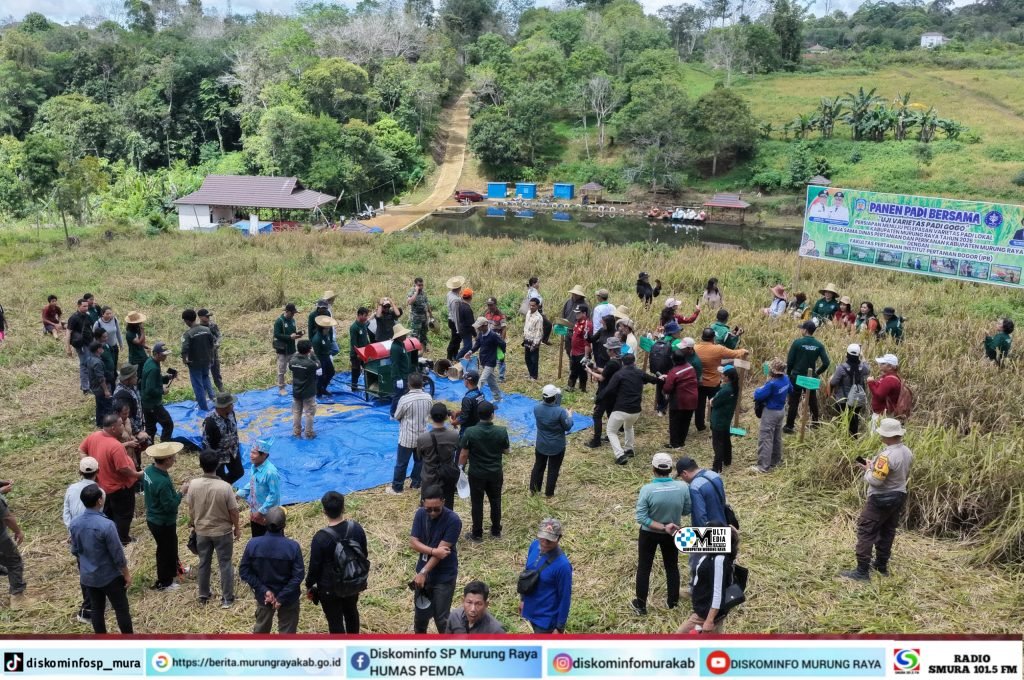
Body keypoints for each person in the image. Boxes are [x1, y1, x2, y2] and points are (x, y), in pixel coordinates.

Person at [840, 418, 914, 581]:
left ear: (887, 436)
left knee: (866, 530)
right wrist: (874, 465)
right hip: (899, 495)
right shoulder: (907, 451)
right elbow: (894, 471)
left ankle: (862, 571)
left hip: (880, 498)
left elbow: (876, 480)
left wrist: (867, 470)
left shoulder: (886, 456)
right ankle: (881, 565)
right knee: (888, 530)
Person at [632, 452, 690, 616]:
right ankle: (672, 602)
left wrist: (661, 526)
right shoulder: (682, 487)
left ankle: (641, 605)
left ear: (653, 469)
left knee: (644, 568)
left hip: (649, 533)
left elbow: (642, 517)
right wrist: (669, 524)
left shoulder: (647, 490)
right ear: (671, 469)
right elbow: (687, 509)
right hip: (673, 532)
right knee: (672, 567)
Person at [69, 485, 132, 633]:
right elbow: (118, 555)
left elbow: (75, 550)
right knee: (121, 609)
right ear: (99, 501)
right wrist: (126, 574)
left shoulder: (75, 524)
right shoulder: (107, 525)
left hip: (88, 577)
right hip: (110, 576)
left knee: (97, 610)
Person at [306, 491, 367, 633]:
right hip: (352, 581)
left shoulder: (320, 538)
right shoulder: (356, 528)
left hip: (329, 588)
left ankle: (340, 649)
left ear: (324, 511)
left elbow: (314, 567)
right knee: (352, 612)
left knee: (335, 621)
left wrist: (309, 585)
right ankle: (353, 645)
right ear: (343, 508)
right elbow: (363, 553)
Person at [187, 449, 240, 608]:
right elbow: (234, 511)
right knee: (225, 563)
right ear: (218, 465)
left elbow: (191, 508)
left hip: (202, 531)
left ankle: (203, 595)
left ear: (200, 464)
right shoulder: (225, 487)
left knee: (204, 562)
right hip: (222, 532)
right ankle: (227, 598)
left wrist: (193, 523)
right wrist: (237, 527)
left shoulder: (193, 485)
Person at [239, 506, 305, 633]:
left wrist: (264, 590)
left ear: (264, 522)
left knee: (261, 633)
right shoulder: (293, 547)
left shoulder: (253, 544)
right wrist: (281, 597)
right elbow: (298, 575)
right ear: (284, 525)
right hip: (289, 598)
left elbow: (244, 571)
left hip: (264, 597)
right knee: (287, 634)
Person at [80, 414, 142, 545]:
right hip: (120, 487)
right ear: (113, 428)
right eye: (120, 425)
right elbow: (123, 469)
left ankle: (108, 536)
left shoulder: (94, 436)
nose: (123, 428)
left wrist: (89, 465)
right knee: (123, 515)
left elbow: (81, 450)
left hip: (102, 486)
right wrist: (137, 474)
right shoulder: (115, 446)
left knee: (108, 513)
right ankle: (123, 539)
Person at [409, 486, 462, 633]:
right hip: (423, 575)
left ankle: (446, 650)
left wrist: (424, 571)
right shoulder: (420, 514)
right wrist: (432, 551)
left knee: (441, 618)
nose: (432, 512)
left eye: (436, 509)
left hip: (443, 575)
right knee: (420, 616)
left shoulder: (453, 520)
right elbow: (413, 542)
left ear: (443, 502)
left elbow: (442, 553)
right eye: (428, 509)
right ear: (423, 504)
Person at [459, 401, 508, 542]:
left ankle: (477, 533)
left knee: (477, 503)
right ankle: (496, 530)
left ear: (478, 414)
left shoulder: (470, 432)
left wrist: (460, 469)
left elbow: (463, 454)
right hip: (495, 472)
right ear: (492, 415)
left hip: (477, 473)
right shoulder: (501, 431)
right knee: (496, 500)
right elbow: (506, 450)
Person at [676, 524, 738, 633]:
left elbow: (718, 592)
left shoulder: (719, 559)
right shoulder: (710, 555)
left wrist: (709, 620)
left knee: (680, 635)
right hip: (705, 609)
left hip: (706, 614)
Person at [143, 442, 186, 592]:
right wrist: (181, 492)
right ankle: (165, 582)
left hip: (153, 517)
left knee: (171, 546)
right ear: (167, 459)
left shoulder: (149, 470)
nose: (175, 459)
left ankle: (177, 569)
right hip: (163, 521)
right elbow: (170, 506)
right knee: (165, 550)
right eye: (173, 457)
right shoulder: (162, 482)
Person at [604, 352, 662, 465]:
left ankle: (620, 455)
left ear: (622, 362)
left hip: (621, 409)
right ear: (634, 362)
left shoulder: (619, 374)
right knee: (628, 427)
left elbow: (609, 390)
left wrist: (599, 399)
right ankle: (629, 449)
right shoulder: (639, 373)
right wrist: (661, 378)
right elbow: (653, 380)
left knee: (611, 431)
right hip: (635, 410)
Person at [63, 457, 101, 623]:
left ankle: (93, 603)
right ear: (98, 472)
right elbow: (99, 517)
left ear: (79, 472)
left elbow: (65, 512)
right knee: (92, 571)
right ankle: (88, 609)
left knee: (84, 569)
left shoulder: (71, 489)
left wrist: (72, 530)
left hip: (76, 537)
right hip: (93, 537)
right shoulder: (99, 492)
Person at [520, 518, 572, 634]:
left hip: (546, 621)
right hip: (531, 610)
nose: (544, 543)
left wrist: (559, 627)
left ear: (558, 539)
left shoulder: (563, 566)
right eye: (543, 538)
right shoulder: (534, 546)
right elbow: (527, 574)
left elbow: (565, 597)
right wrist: (523, 599)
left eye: (550, 540)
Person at [694, 328, 749, 432]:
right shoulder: (718, 349)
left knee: (699, 405)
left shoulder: (695, 347)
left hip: (700, 382)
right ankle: (713, 425)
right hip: (713, 382)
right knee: (715, 404)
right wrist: (743, 351)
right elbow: (734, 353)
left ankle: (700, 425)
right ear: (713, 338)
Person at [783, 321, 831, 434]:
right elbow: (826, 363)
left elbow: (789, 361)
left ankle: (789, 426)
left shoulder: (797, 343)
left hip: (797, 376)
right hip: (810, 378)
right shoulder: (819, 345)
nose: (801, 330)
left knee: (794, 401)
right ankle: (815, 423)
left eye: (802, 329)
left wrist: (789, 373)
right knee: (812, 401)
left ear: (805, 330)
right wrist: (816, 373)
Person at [390, 373, 433, 494]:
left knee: (401, 463)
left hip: (407, 437)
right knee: (420, 462)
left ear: (409, 385)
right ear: (422, 384)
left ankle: (397, 488)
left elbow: (397, 415)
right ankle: (416, 483)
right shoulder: (428, 397)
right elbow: (429, 414)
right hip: (423, 436)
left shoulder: (405, 399)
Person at [751, 358, 792, 473]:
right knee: (777, 436)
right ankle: (776, 460)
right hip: (781, 410)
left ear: (773, 371)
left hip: (771, 412)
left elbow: (758, 395)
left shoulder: (772, 384)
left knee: (765, 438)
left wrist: (758, 389)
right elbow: (791, 390)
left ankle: (763, 466)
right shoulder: (786, 379)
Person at [532, 385, 574, 497]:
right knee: (553, 469)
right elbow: (567, 426)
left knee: (538, 466)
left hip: (541, 444)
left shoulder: (537, 408)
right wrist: (569, 415)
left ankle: (534, 490)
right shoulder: (560, 412)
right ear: (555, 397)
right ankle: (549, 493)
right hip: (556, 446)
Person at [418, 403, 461, 509]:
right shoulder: (454, 435)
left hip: (429, 477)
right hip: (447, 476)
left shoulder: (423, 438)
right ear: (447, 417)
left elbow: (419, 456)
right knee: (447, 508)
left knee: (427, 508)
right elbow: (457, 448)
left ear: (430, 417)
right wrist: (455, 426)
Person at [585, 336, 623, 449]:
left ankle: (596, 440)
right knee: (610, 414)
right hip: (613, 392)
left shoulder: (612, 363)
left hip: (606, 392)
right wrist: (596, 368)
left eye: (608, 349)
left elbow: (602, 378)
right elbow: (607, 371)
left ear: (612, 350)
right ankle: (610, 434)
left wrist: (590, 371)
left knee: (597, 416)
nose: (606, 350)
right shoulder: (618, 361)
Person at [237, 441, 281, 537]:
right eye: (251, 452)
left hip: (268, 515)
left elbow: (274, 495)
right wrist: (239, 494)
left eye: (254, 453)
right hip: (255, 511)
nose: (251, 455)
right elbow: (253, 483)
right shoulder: (254, 466)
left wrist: (261, 511)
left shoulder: (270, 472)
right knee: (257, 537)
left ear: (264, 455)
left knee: (270, 540)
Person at [202, 392, 244, 485]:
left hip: (232, 451)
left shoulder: (231, 413)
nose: (233, 405)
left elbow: (234, 430)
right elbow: (206, 443)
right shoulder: (210, 422)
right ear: (224, 407)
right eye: (231, 404)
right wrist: (211, 460)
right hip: (218, 456)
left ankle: (224, 486)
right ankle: (222, 489)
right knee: (219, 478)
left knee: (239, 472)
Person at [829, 344, 870, 437]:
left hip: (843, 399)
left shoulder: (841, 368)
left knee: (842, 418)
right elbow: (868, 369)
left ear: (847, 354)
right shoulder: (863, 367)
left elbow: (834, 382)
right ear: (858, 355)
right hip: (857, 399)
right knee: (854, 418)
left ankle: (842, 438)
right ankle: (853, 437)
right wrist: (863, 357)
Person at [676, 456, 727, 529]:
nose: (682, 479)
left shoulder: (695, 487)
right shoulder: (714, 475)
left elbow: (699, 516)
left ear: (685, 473)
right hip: (722, 523)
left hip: (710, 529)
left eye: (681, 476)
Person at [181, 308, 217, 411]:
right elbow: (212, 344)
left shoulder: (188, 334)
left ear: (187, 321)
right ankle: (213, 399)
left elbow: (184, 349)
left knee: (198, 385)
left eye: (185, 321)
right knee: (206, 378)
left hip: (195, 363)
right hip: (207, 360)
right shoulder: (206, 330)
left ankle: (203, 407)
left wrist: (185, 360)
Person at [663, 349, 698, 449]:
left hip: (679, 401)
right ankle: (681, 442)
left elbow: (667, 388)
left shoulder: (674, 372)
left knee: (675, 422)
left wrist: (665, 387)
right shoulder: (691, 367)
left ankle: (674, 444)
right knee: (685, 421)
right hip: (693, 399)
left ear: (674, 360)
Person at [465, 317, 505, 403]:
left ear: (485, 325)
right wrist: (470, 352)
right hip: (483, 360)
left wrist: (501, 355)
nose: (478, 328)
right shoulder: (481, 334)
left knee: (481, 380)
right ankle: (498, 398)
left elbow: (503, 344)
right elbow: (477, 345)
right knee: (491, 381)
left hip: (490, 362)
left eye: (479, 327)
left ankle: (472, 397)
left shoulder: (493, 335)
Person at [709, 365, 739, 473]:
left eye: (722, 374)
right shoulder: (734, 386)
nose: (721, 375)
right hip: (726, 419)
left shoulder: (726, 390)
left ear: (727, 377)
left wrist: (712, 400)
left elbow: (714, 403)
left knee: (718, 444)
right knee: (726, 440)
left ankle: (716, 467)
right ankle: (727, 460)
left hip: (719, 420)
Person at [289, 339, 320, 439]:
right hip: (308, 392)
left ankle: (296, 432)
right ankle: (309, 432)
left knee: (297, 412)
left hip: (296, 391)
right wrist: (313, 355)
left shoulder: (292, 362)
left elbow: (292, 363)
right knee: (309, 413)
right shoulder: (310, 364)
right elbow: (318, 364)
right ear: (309, 350)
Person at [113, 364, 145, 448]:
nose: (137, 377)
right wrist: (137, 432)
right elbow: (126, 416)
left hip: (137, 427)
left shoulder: (131, 386)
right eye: (134, 376)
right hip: (130, 431)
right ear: (127, 379)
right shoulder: (122, 395)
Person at [274, 303, 302, 397]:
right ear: (287, 312)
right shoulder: (279, 321)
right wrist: (289, 337)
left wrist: (297, 335)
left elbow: (292, 332)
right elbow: (277, 335)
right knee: (282, 370)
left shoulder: (293, 320)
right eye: (292, 313)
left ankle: (296, 384)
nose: (293, 315)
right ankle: (281, 387)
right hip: (282, 350)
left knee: (295, 367)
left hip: (292, 349)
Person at [867, 354, 902, 429]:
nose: (880, 365)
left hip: (882, 414)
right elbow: (881, 389)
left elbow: (878, 395)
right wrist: (874, 383)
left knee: (877, 436)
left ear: (890, 367)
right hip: (885, 413)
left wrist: (871, 383)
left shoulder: (889, 380)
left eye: (883, 364)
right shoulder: (891, 377)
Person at [67, 299, 93, 394]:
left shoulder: (87, 316)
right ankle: (85, 388)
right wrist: (68, 348)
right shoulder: (74, 318)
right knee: (84, 365)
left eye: (87, 306)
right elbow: (68, 332)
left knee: (89, 363)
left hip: (89, 343)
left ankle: (87, 385)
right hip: (81, 345)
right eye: (84, 306)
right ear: (78, 306)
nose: (86, 308)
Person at [85, 341, 113, 427]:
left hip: (95, 388)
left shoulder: (90, 359)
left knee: (99, 406)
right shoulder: (97, 362)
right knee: (107, 407)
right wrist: (106, 391)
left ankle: (99, 422)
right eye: (101, 348)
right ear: (98, 350)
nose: (102, 349)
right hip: (100, 389)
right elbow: (101, 378)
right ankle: (107, 425)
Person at [389, 324, 414, 416]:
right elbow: (395, 364)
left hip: (404, 374)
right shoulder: (395, 347)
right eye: (404, 335)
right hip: (399, 376)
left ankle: (401, 411)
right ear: (399, 336)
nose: (406, 336)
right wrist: (398, 378)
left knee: (404, 394)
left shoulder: (401, 344)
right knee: (397, 395)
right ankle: (392, 413)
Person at [567, 305, 592, 393]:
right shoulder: (577, 322)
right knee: (573, 369)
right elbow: (574, 336)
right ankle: (570, 386)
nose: (576, 314)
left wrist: (586, 356)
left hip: (582, 353)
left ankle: (582, 388)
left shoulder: (587, 324)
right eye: (576, 313)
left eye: (578, 313)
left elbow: (587, 342)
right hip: (574, 351)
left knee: (582, 371)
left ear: (584, 313)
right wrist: (571, 350)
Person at [198, 309, 224, 392]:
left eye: (209, 316)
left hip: (213, 352)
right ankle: (206, 391)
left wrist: (217, 343)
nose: (208, 318)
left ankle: (220, 388)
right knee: (204, 374)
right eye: (207, 316)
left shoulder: (212, 325)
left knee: (216, 371)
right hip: (203, 355)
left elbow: (219, 335)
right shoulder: (198, 328)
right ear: (200, 317)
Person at [311, 316, 338, 397]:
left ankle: (323, 388)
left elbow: (328, 346)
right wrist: (318, 364)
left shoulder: (326, 335)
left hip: (326, 357)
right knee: (321, 375)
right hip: (320, 358)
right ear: (323, 328)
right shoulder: (317, 339)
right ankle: (318, 391)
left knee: (331, 372)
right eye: (327, 328)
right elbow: (316, 353)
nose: (329, 330)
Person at [560, 285, 588, 359]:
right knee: (568, 348)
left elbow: (587, 319)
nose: (574, 295)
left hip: (578, 331)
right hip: (567, 330)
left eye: (576, 294)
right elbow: (563, 314)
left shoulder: (584, 305)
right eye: (574, 294)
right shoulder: (568, 302)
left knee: (577, 350)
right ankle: (571, 361)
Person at [483, 297, 508, 381]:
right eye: (488, 305)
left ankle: (501, 377)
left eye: (491, 305)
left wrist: (502, 341)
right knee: (490, 358)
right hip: (489, 340)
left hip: (497, 339)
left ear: (495, 304)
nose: (489, 307)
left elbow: (504, 328)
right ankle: (490, 375)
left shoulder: (501, 315)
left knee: (500, 358)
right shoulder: (486, 313)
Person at [445, 276, 467, 362]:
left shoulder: (450, 294)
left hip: (451, 320)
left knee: (456, 340)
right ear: (459, 287)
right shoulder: (455, 300)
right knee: (455, 340)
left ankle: (454, 355)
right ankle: (449, 357)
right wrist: (458, 329)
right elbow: (456, 315)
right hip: (454, 322)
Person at [349, 307, 371, 391]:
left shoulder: (364, 325)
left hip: (365, 352)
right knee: (356, 371)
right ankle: (354, 387)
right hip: (356, 354)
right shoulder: (354, 327)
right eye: (365, 316)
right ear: (359, 315)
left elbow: (366, 339)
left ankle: (369, 386)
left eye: (367, 316)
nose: (366, 318)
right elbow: (354, 342)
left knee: (368, 369)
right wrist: (357, 353)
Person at [454, 289, 477, 371]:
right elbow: (471, 324)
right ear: (470, 297)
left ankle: (463, 360)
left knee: (468, 346)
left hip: (462, 329)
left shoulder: (461, 305)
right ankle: (458, 359)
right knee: (467, 347)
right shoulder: (467, 309)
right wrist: (475, 334)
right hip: (466, 330)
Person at [523, 297, 544, 381]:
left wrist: (535, 344)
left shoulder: (538, 318)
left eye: (533, 306)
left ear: (537, 306)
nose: (531, 307)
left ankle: (534, 376)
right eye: (530, 305)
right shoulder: (528, 313)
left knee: (534, 359)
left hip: (534, 341)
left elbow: (539, 332)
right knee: (527, 358)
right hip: (527, 339)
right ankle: (530, 373)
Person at [408, 277, 431, 349]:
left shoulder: (424, 292)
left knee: (424, 334)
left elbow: (427, 304)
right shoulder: (412, 292)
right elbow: (409, 302)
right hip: (416, 318)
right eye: (419, 285)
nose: (421, 287)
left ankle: (423, 349)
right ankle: (413, 350)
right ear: (415, 284)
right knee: (414, 335)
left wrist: (431, 314)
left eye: (422, 285)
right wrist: (416, 292)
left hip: (424, 317)